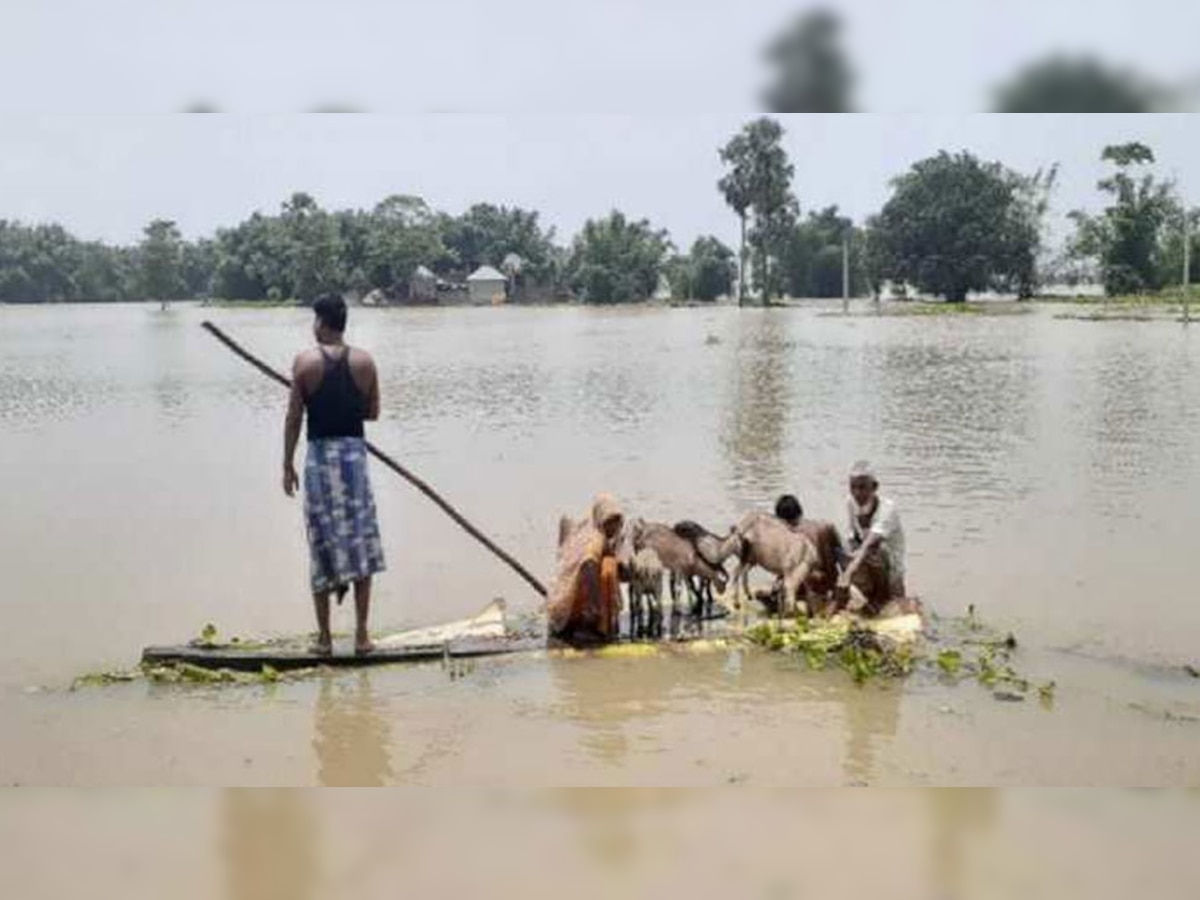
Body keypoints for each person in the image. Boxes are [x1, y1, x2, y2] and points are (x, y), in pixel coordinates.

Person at [283, 294, 385, 656]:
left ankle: (325, 639)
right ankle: (361, 637)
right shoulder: (365, 363)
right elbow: (372, 413)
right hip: (354, 459)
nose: (313, 328)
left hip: (321, 459)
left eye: (315, 321)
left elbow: (294, 418)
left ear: (323, 323)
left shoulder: (304, 363)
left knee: (322, 542)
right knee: (360, 543)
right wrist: (346, 405)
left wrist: (286, 465)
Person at [547, 494, 625, 646]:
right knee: (608, 567)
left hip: (563, 607)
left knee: (609, 564)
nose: (616, 527)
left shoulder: (589, 534)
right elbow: (588, 566)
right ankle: (590, 628)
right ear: (602, 519)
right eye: (611, 521)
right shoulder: (595, 539)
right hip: (574, 611)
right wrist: (593, 610)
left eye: (617, 521)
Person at [837, 460, 909, 617]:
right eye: (853, 487)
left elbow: (869, 544)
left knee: (876, 551)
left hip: (889, 570)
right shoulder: (850, 503)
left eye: (862, 487)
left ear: (874, 487)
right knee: (834, 543)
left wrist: (848, 573)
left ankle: (883, 598)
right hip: (865, 565)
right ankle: (862, 593)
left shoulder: (887, 509)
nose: (857, 493)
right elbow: (852, 537)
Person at [773, 494, 844, 614]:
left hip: (810, 589)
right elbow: (842, 557)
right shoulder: (827, 526)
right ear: (800, 511)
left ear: (780, 519)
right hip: (830, 584)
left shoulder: (786, 536)